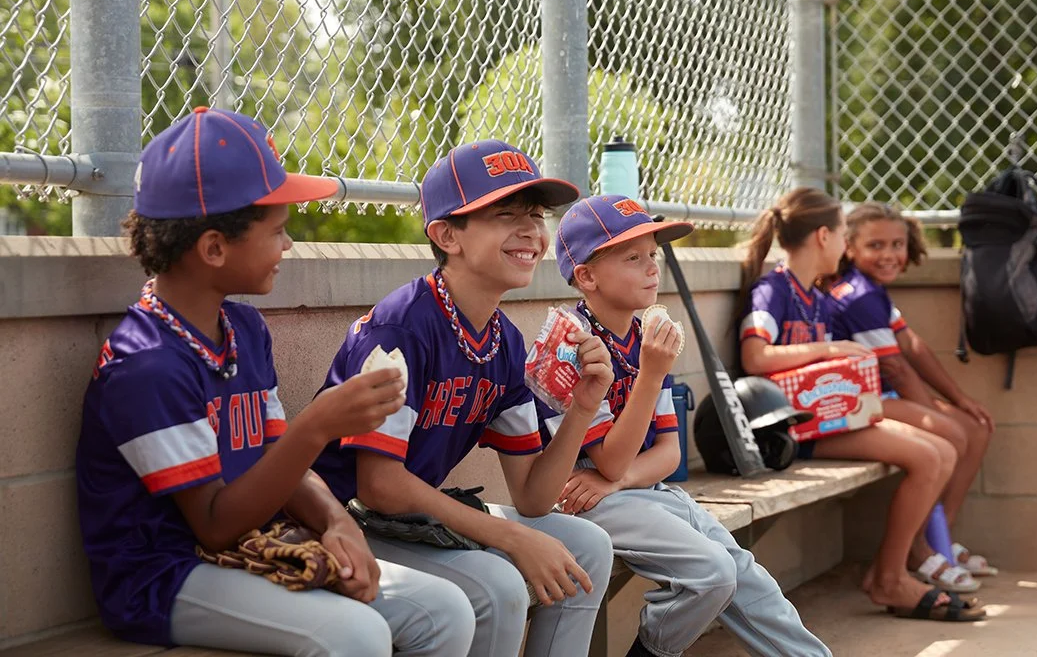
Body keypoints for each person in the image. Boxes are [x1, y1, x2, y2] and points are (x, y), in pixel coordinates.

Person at [76, 107, 474, 657]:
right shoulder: (145, 363)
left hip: (253, 541)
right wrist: (317, 426)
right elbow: (212, 525)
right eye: (278, 231)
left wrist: (337, 522)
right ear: (214, 248)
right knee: (354, 635)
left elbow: (276, 458)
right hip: (164, 577)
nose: (287, 247)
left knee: (443, 611)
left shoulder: (242, 327)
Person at [311, 140, 615, 657]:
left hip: (403, 517)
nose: (531, 232)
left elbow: (534, 498)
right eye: (505, 214)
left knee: (589, 545)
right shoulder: (402, 328)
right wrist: (512, 539)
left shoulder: (503, 339)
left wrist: (583, 407)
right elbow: (378, 485)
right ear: (446, 234)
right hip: (343, 517)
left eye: (536, 215)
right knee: (496, 585)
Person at [543, 194, 833, 657]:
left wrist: (619, 481)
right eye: (632, 257)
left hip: (631, 491)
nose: (651, 268)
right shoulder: (573, 345)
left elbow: (668, 455)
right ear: (587, 276)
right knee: (712, 572)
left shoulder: (643, 335)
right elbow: (610, 459)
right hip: (583, 503)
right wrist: (652, 373)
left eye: (652, 255)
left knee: (744, 573)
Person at [737, 187, 984, 621]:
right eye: (840, 234)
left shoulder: (813, 294)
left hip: (827, 418)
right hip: (788, 433)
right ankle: (890, 577)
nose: (843, 245)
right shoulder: (773, 288)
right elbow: (755, 356)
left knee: (941, 450)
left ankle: (893, 571)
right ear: (823, 237)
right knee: (932, 456)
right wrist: (828, 352)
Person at [829, 201, 997, 577]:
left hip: (884, 396)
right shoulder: (859, 295)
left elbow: (911, 347)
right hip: (860, 401)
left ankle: (939, 540)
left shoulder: (873, 290)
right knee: (954, 434)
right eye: (876, 246)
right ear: (849, 248)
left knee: (978, 427)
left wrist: (959, 399)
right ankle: (919, 550)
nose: (889, 255)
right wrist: (937, 415)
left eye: (896, 245)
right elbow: (898, 371)